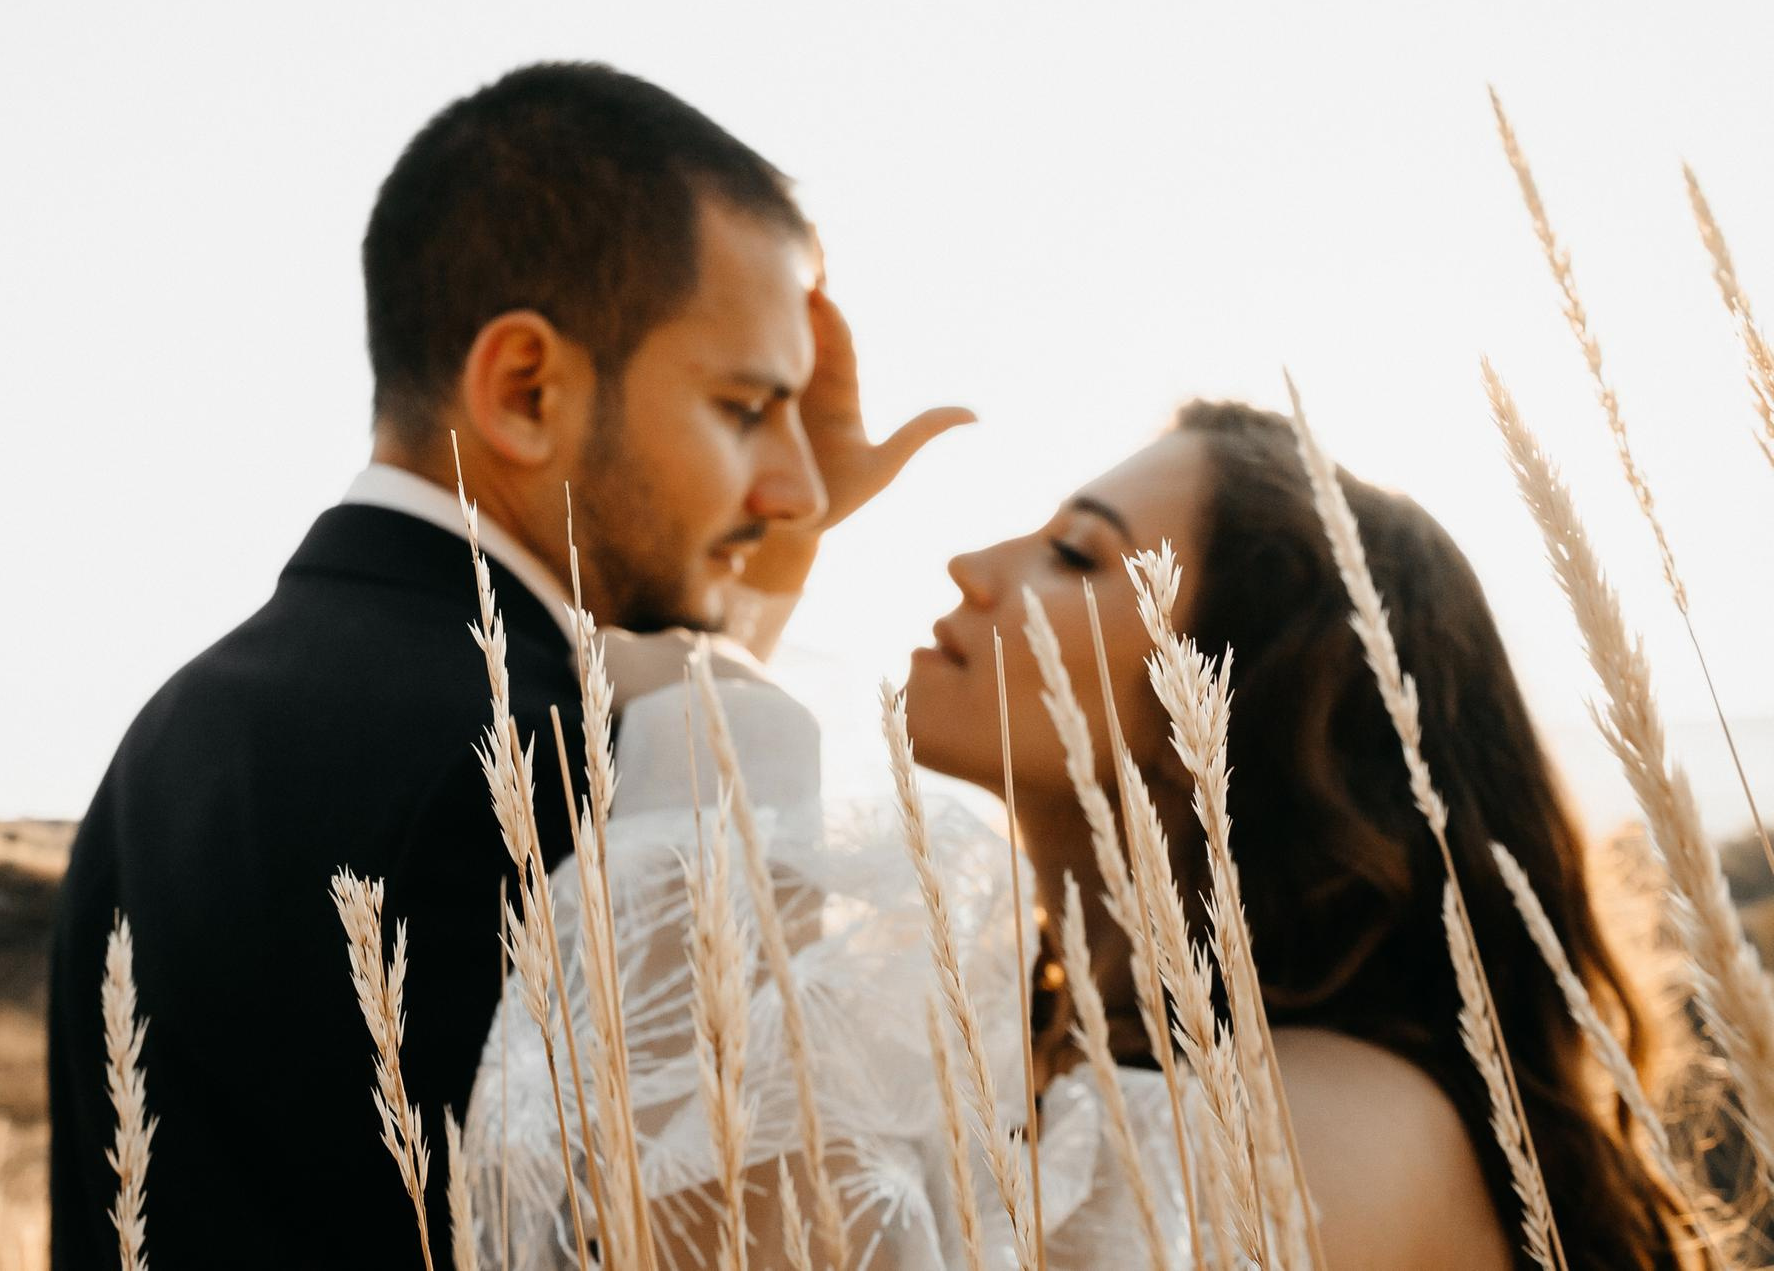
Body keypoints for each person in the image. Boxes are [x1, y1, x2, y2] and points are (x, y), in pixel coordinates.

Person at [48, 60, 967, 1268]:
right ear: (525, 390)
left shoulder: (186, 725)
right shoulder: (559, 760)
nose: (798, 484)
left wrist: (753, 553)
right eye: (746, 407)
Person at [471, 401, 1697, 1271]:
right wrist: (739, 608)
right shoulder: (1060, 1052)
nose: (969, 564)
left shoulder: (1360, 1124)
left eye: (1075, 553)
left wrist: (716, 737)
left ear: (1232, 699)